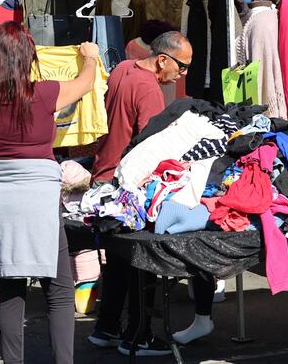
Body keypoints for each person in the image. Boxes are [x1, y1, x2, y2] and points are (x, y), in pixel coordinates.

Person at [0, 21, 99, 364]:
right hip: (38, 197)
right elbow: (85, 84)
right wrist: (90, 56)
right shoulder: (42, 93)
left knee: (11, 287)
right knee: (59, 288)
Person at [89, 31, 193, 357]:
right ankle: (138, 336)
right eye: (181, 66)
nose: (182, 74)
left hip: (104, 177)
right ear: (162, 59)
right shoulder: (150, 89)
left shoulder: (122, 69)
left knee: (118, 261)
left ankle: (106, 328)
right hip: (127, 186)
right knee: (140, 262)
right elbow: (153, 151)